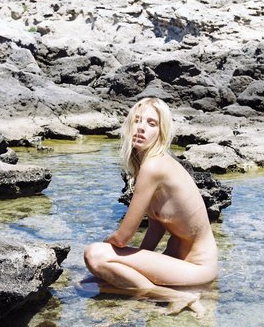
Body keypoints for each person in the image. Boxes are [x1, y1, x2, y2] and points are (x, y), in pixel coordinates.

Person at [83, 97, 218, 316]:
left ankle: (174, 296)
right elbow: (156, 227)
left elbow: (122, 238)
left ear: (161, 132)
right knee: (88, 283)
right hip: (181, 264)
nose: (141, 128)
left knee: (94, 254)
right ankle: (166, 292)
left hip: (197, 268)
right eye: (137, 121)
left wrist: (107, 249)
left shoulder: (153, 166)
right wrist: (129, 263)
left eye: (151, 123)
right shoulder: (154, 163)